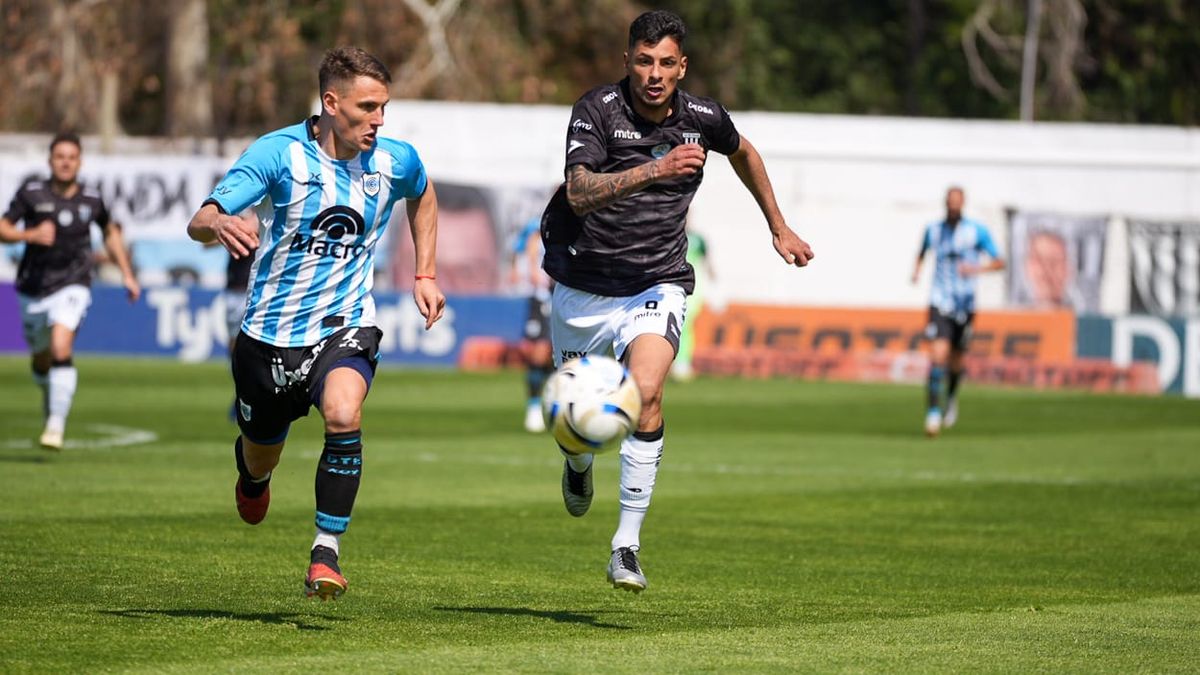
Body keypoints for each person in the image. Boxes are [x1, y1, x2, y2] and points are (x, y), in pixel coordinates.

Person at [539, 10, 814, 593]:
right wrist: (655, 168)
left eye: (666, 62)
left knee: (647, 393)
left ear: (682, 66)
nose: (655, 73)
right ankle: (579, 463)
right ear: (628, 62)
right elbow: (580, 192)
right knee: (577, 425)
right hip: (582, 287)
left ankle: (626, 545)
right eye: (644, 61)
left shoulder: (703, 118)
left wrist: (778, 225)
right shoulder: (596, 111)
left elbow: (744, 152)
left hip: (655, 282)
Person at [186, 46, 445, 600]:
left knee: (343, 411)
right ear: (331, 103)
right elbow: (201, 217)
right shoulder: (279, 154)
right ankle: (253, 475)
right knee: (262, 455)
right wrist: (219, 223)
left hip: (346, 324)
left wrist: (425, 273)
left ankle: (326, 551)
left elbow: (423, 194)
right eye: (368, 107)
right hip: (268, 337)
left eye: (384, 108)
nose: (379, 120)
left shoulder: (394, 160)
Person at [0, 132, 140, 450]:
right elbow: (3, 228)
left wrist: (127, 275)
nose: (65, 162)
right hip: (33, 288)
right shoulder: (31, 193)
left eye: (71, 157)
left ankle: (55, 425)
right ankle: (51, 392)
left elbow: (110, 233)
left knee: (61, 346)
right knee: (41, 359)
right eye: (59, 156)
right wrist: (30, 235)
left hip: (74, 282)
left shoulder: (92, 199)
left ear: (79, 161)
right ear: (50, 161)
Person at [910, 186, 1004, 437]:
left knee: (956, 361)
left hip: (966, 304)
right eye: (949, 203)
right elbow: (922, 252)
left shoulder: (976, 231)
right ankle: (932, 413)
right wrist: (917, 271)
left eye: (957, 204)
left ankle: (950, 397)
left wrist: (975, 270)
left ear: (962, 204)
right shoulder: (934, 230)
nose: (953, 208)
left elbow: (999, 261)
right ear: (945, 204)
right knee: (937, 354)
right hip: (940, 301)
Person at [509, 216, 554, 432]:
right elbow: (532, 243)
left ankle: (557, 404)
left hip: (566, 295)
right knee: (538, 352)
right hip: (542, 296)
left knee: (561, 355)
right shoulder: (540, 222)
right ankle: (534, 408)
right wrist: (531, 270)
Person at [670, 226, 714, 381]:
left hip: (694, 289)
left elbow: (708, 263)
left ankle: (682, 363)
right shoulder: (671, 233)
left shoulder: (698, 239)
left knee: (685, 324)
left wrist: (715, 286)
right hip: (673, 286)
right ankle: (672, 363)